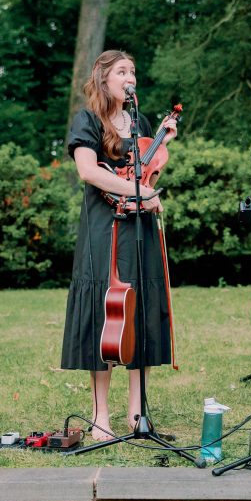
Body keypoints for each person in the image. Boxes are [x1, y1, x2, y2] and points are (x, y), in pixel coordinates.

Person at [62, 49, 178, 441]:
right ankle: (100, 417)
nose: (130, 77)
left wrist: (159, 153)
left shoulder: (140, 121)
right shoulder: (88, 119)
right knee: (104, 313)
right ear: (104, 78)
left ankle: (136, 414)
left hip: (139, 225)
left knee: (141, 308)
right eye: (122, 71)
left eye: (133, 70)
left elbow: (144, 169)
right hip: (103, 227)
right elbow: (88, 171)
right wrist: (139, 191)